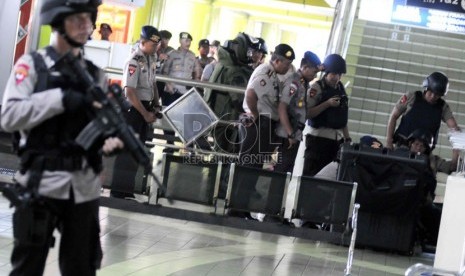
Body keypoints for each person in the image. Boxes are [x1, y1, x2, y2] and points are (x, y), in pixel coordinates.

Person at [0, 0, 124, 274]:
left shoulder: (95, 75)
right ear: (57, 20)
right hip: (40, 183)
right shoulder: (31, 66)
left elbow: (97, 128)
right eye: (76, 18)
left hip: (83, 188)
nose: (85, 25)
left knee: (81, 268)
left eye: (88, 18)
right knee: (27, 267)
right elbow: (9, 117)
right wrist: (60, 98)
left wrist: (108, 141)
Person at [229, 44, 295, 218]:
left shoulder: (273, 74)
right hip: (257, 125)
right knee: (248, 166)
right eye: (286, 64)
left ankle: (242, 208)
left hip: (264, 125)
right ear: (277, 60)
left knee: (254, 167)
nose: (287, 68)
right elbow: (251, 94)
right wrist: (256, 114)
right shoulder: (265, 72)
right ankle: (236, 208)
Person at [110, 25, 161, 198]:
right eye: (152, 44)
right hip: (133, 110)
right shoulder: (133, 61)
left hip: (144, 108)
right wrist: (145, 114)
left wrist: (156, 104)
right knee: (126, 150)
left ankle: (128, 190)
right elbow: (129, 92)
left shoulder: (151, 58)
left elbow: (153, 83)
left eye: (157, 44)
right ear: (143, 42)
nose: (155, 47)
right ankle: (118, 191)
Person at [203, 33, 257, 154]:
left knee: (221, 152)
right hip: (226, 117)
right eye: (248, 51)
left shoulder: (224, 63)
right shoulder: (233, 69)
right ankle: (219, 173)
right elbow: (239, 100)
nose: (250, 55)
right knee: (225, 154)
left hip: (219, 115)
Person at [303, 53, 351, 176]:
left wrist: (347, 139)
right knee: (311, 178)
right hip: (317, 140)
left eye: (339, 74)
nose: (337, 78)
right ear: (327, 72)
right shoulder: (317, 88)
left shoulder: (341, 89)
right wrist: (327, 104)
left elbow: (342, 118)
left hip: (336, 143)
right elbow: (307, 113)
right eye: (334, 74)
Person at [386, 71, 460, 150]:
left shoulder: (443, 107)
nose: (432, 96)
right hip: (402, 147)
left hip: (424, 153)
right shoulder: (412, 97)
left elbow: (454, 128)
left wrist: (455, 158)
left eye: (437, 95)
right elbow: (394, 116)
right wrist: (388, 142)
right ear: (426, 88)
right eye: (431, 92)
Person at [274, 51, 321, 173]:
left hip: (294, 133)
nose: (315, 76)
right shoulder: (294, 82)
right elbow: (282, 107)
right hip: (286, 135)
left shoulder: (303, 84)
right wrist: (290, 133)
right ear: (304, 67)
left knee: (286, 171)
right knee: (280, 171)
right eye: (314, 72)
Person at [160, 31, 201, 152]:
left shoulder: (192, 56)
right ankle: (170, 143)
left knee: (184, 118)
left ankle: (187, 144)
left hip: (184, 93)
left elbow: (197, 73)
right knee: (167, 118)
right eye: (185, 40)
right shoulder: (172, 54)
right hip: (170, 91)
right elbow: (164, 72)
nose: (188, 43)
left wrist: (194, 85)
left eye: (189, 41)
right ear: (180, 41)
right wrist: (168, 85)